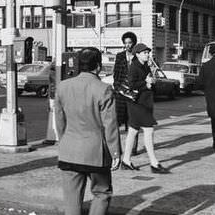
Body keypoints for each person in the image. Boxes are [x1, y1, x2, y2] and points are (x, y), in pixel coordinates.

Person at [54, 47, 120, 215]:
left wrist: (64, 142)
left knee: (72, 197)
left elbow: (59, 121)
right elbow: (110, 125)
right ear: (98, 66)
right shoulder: (103, 89)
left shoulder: (62, 87)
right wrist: (115, 154)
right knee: (101, 192)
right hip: (95, 153)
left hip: (69, 150)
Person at [120, 43, 167, 173]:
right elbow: (132, 84)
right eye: (144, 53)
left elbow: (148, 82)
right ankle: (154, 163)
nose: (147, 54)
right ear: (137, 54)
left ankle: (126, 160)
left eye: (148, 52)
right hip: (138, 104)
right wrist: (146, 84)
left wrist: (151, 82)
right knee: (148, 130)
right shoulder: (134, 67)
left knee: (133, 131)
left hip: (142, 103)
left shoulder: (144, 65)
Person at [112, 31, 139, 155]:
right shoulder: (120, 56)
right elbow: (116, 74)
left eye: (130, 42)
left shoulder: (139, 57)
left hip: (134, 95)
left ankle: (133, 148)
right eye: (126, 43)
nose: (128, 45)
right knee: (117, 122)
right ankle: (117, 148)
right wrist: (117, 88)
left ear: (134, 43)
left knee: (133, 122)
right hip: (121, 94)